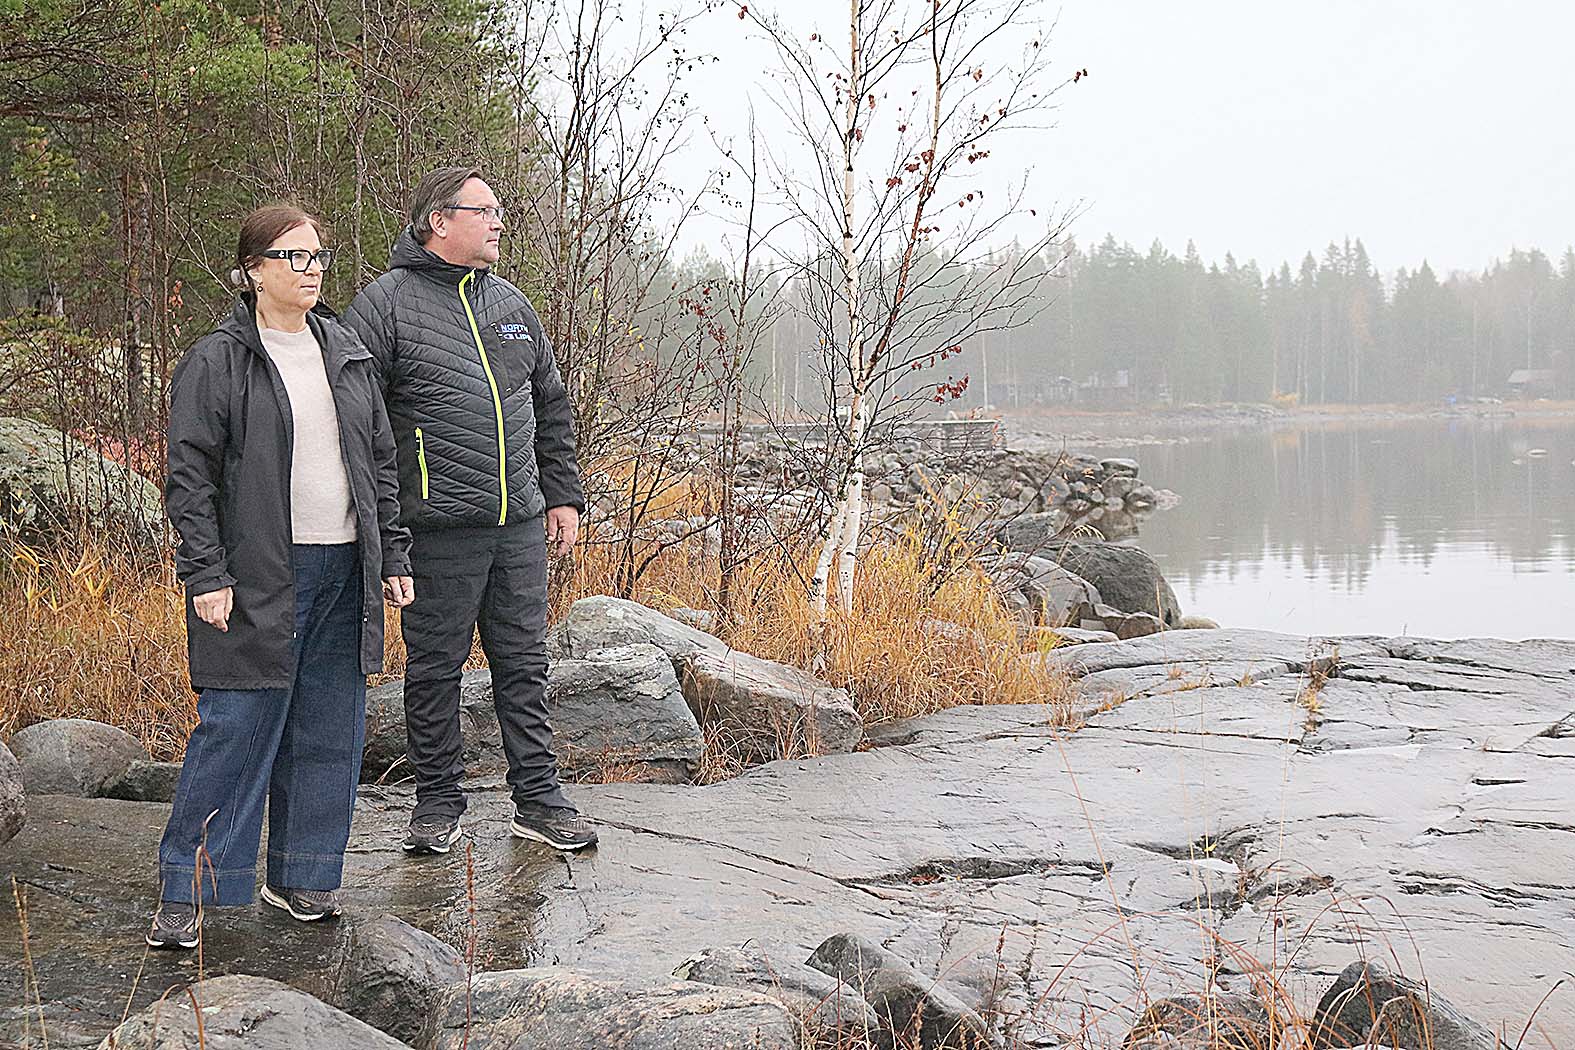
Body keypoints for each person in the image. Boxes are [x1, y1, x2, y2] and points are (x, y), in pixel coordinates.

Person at [149, 204, 415, 949]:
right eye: (293, 257)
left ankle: (300, 874)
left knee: (329, 727)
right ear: (254, 269)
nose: (311, 269)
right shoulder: (218, 359)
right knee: (235, 727)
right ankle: (188, 888)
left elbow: (379, 464)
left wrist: (391, 554)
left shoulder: (346, 349)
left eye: (319, 256)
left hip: (344, 565)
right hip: (259, 572)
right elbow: (189, 478)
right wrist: (205, 571)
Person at [345, 166, 595, 855]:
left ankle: (539, 800)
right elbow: (359, 429)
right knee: (434, 671)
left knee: (524, 665)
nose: (498, 222)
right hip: (435, 531)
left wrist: (563, 494)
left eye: (499, 210)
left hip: (518, 526)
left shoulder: (512, 304)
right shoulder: (384, 304)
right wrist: (388, 537)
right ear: (439, 221)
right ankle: (436, 804)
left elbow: (551, 403)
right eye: (485, 211)